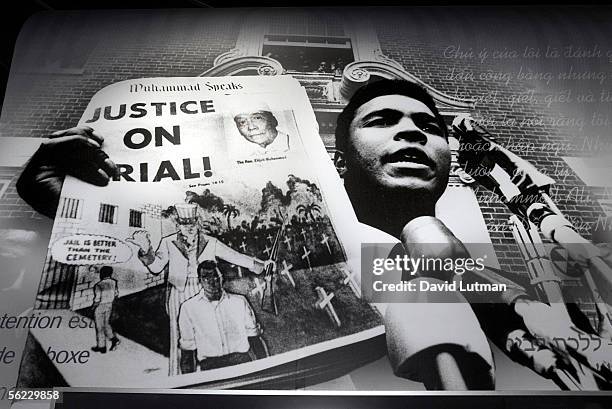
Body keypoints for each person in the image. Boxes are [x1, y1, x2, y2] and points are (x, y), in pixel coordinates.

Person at [126, 202, 273, 375]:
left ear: (197, 222)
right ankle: (181, 376)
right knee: (182, 336)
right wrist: (145, 249)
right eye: (184, 223)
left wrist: (261, 265)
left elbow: (234, 256)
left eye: (192, 223)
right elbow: (157, 267)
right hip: (179, 293)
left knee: (209, 331)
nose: (188, 227)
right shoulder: (168, 242)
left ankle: (209, 371)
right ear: (178, 224)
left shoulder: (210, 242)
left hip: (206, 289)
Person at [178, 260, 268, 373]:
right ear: (199, 280)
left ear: (222, 277)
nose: (212, 281)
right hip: (210, 368)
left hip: (241, 364)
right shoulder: (188, 308)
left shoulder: (239, 302)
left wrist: (265, 370)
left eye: (216, 276)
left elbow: (255, 339)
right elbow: (188, 352)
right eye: (206, 277)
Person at [91, 265, 120, 354]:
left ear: (102, 274)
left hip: (100, 306)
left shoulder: (98, 285)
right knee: (106, 323)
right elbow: (116, 294)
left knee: (99, 327)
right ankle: (113, 339)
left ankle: (102, 347)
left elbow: (97, 299)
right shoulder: (114, 282)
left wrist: (93, 307)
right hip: (109, 305)